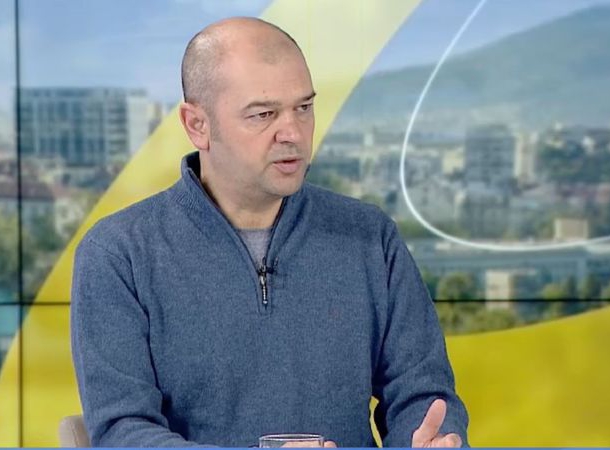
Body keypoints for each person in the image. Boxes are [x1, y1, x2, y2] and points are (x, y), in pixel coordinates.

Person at [71, 17, 469, 448]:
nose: (293, 133)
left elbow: (423, 395)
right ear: (197, 125)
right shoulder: (118, 254)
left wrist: (431, 440)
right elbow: (122, 431)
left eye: (304, 107)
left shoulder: (371, 237)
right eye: (263, 114)